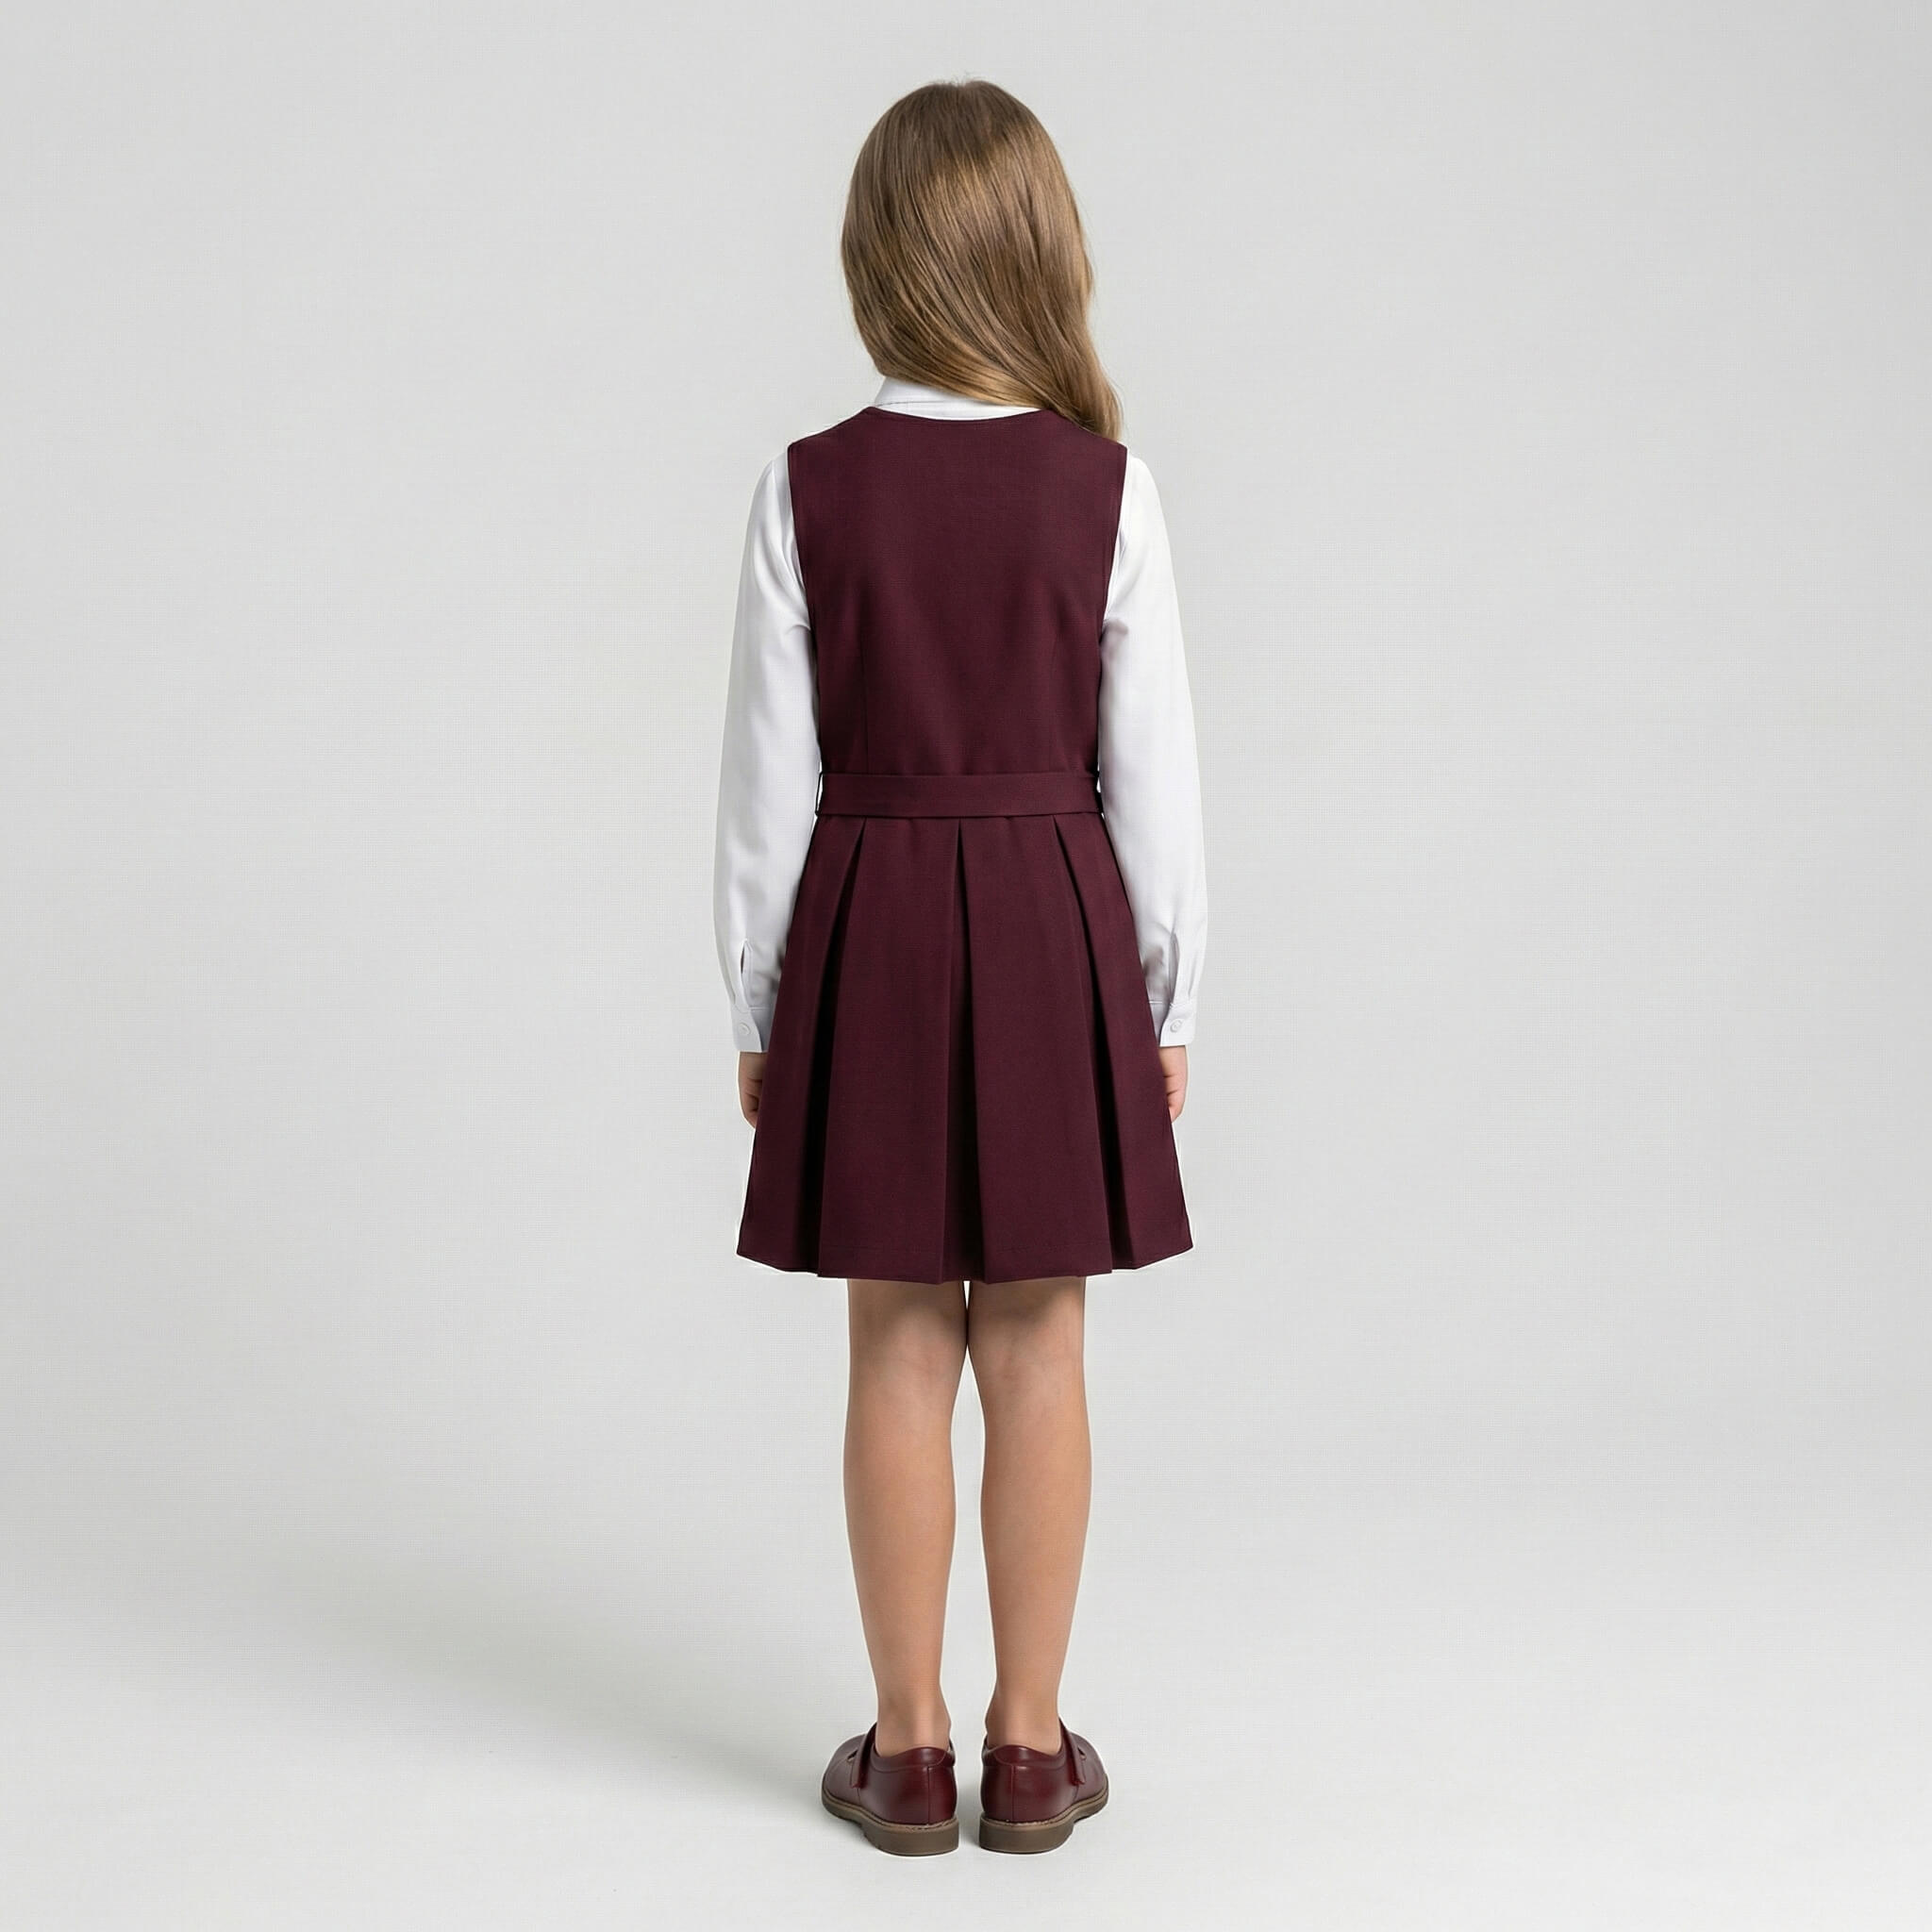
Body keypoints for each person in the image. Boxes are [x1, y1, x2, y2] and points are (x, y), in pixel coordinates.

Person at [710, 77, 1208, 1857]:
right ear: (1040, 254)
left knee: (898, 1340)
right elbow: (1155, 778)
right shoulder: (1107, 489)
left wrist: (762, 1007)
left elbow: (763, 787)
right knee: (1045, 1342)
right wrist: (1165, 1003)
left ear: (876, 260)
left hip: (875, 926)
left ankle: (909, 1751)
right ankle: (1031, 1746)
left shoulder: (807, 488)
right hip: (1058, 924)